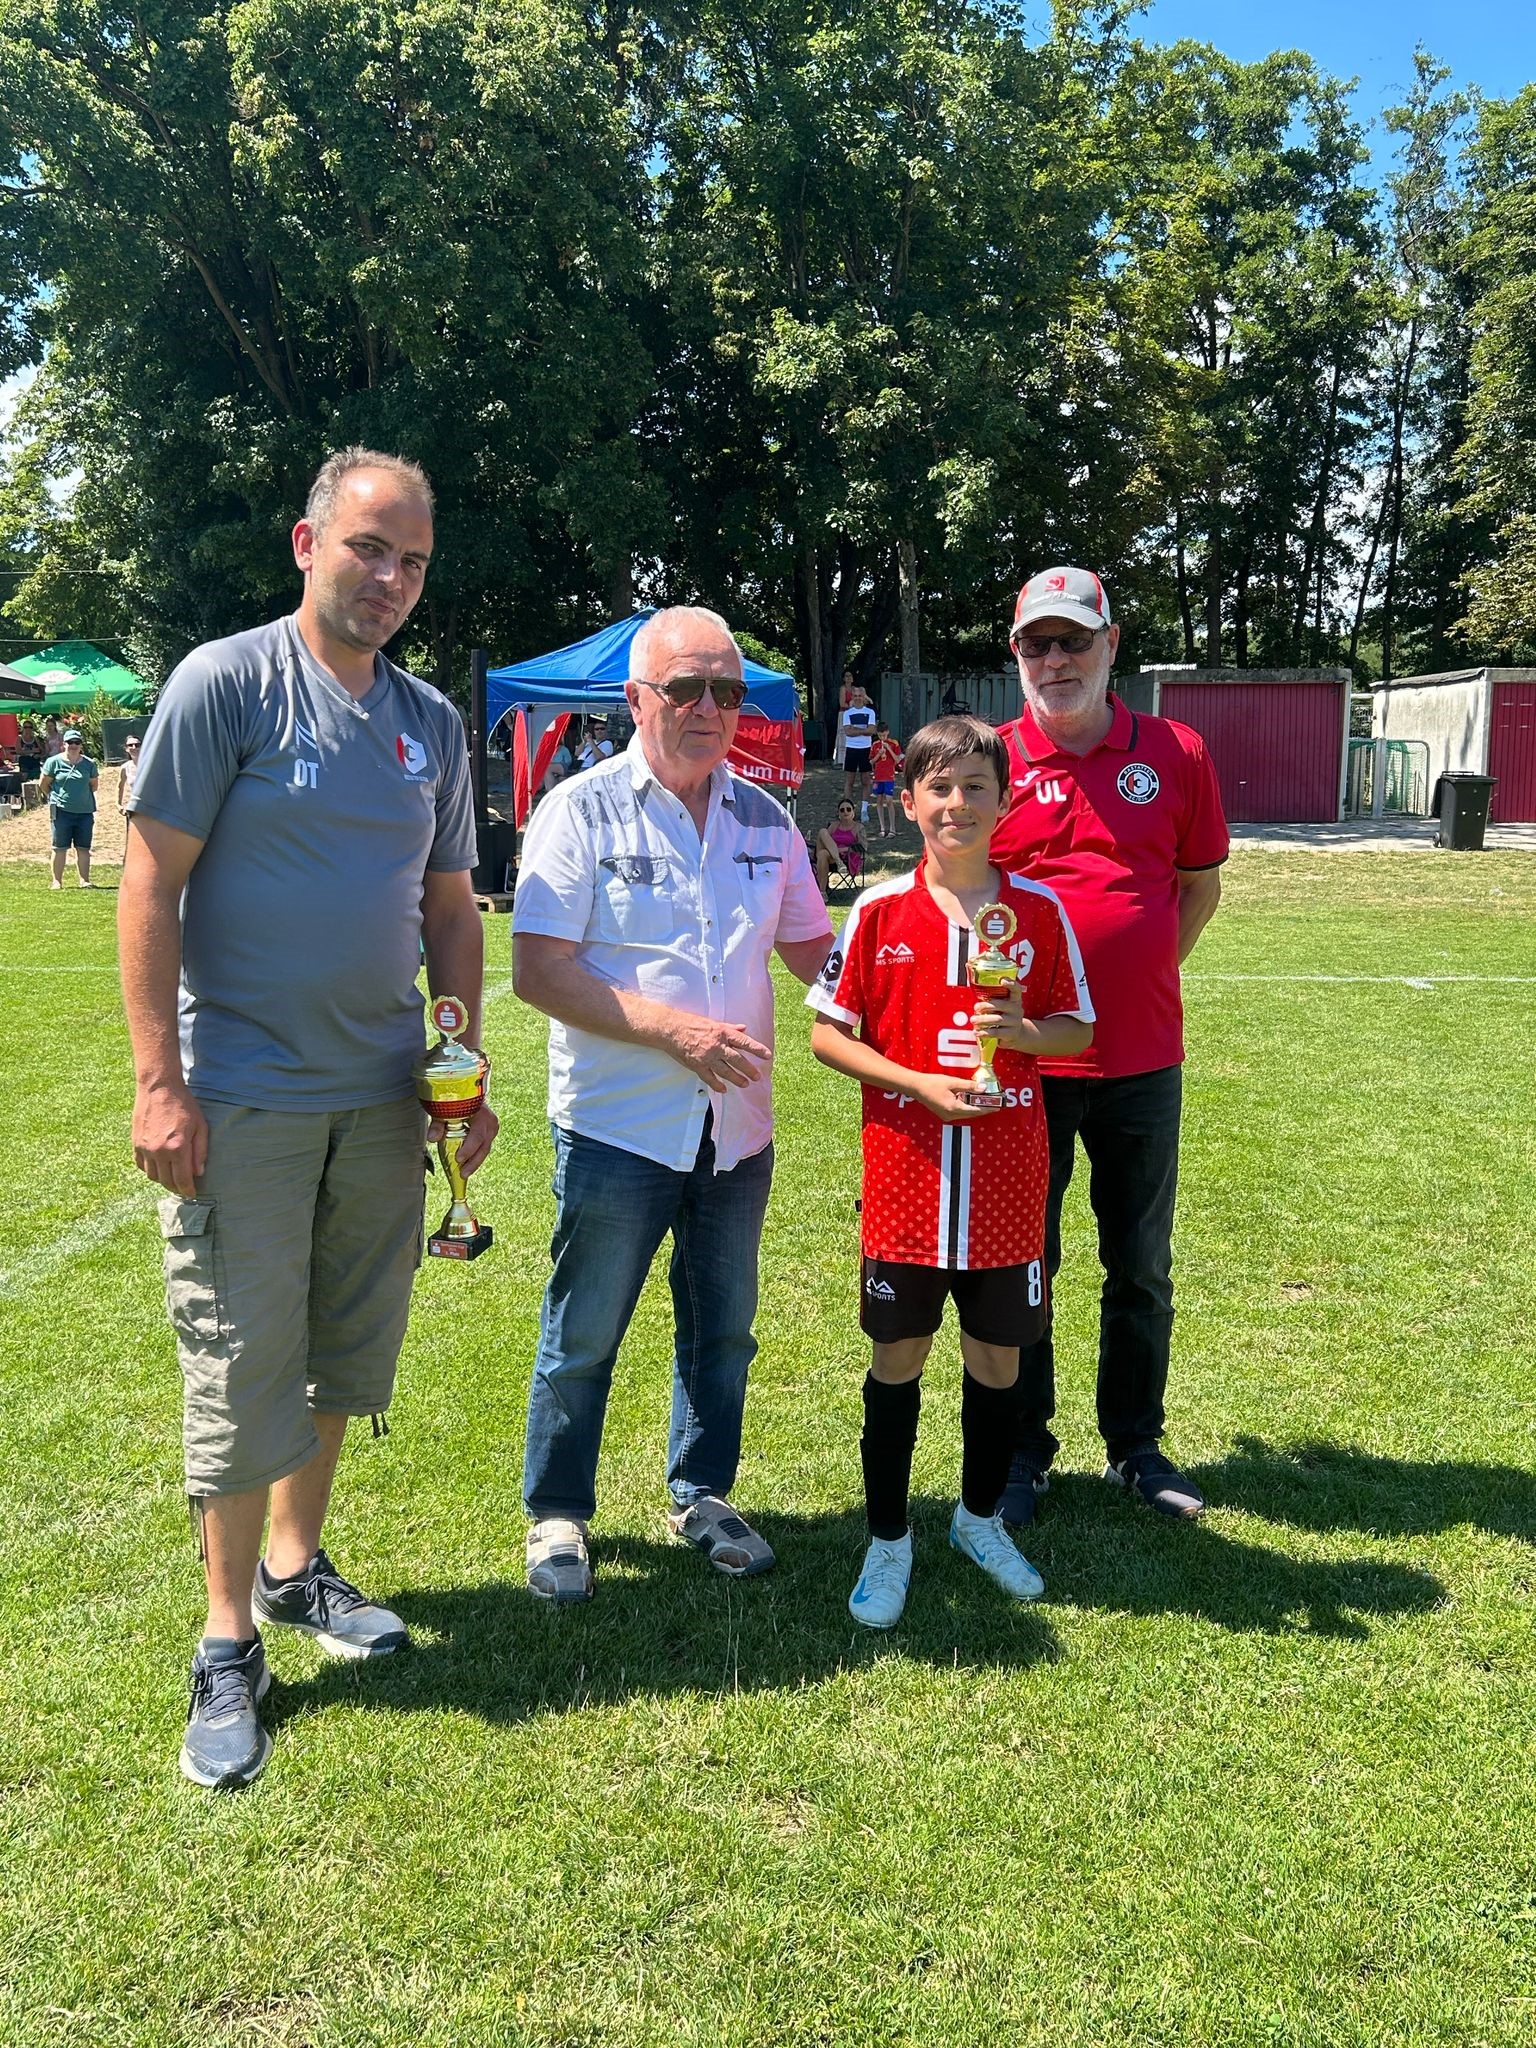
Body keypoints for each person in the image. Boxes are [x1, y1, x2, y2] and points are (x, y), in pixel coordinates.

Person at [119, 446, 496, 1790]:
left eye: (413, 562)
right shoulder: (225, 683)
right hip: (243, 1098)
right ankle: (227, 1641)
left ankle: (294, 1567)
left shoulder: (429, 722)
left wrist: (460, 1066)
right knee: (241, 1363)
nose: (391, 578)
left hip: (385, 1098)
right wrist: (159, 1082)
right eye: (368, 548)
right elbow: (151, 883)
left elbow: (450, 908)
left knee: (343, 1349)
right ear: (306, 543)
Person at [512, 605, 834, 1604]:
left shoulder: (767, 819)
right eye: (685, 687)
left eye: (726, 691)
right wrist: (676, 1033)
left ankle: (702, 1493)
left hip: (737, 1131)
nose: (708, 708)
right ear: (636, 699)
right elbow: (538, 970)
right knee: (585, 1333)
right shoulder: (580, 809)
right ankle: (558, 1512)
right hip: (618, 1127)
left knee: (724, 1331)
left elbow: (818, 956)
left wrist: (928, 970)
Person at [807, 714, 1094, 1627]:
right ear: (908, 802)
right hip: (908, 1183)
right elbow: (827, 1035)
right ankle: (888, 1538)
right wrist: (917, 1084)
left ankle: (977, 1520)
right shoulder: (878, 912)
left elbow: (1077, 1029)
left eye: (976, 787)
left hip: (1008, 1183)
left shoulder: (1039, 912)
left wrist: (1023, 1031)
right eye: (939, 787)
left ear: (1005, 801)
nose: (957, 803)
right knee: (899, 1356)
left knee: (999, 1357)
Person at [990, 565, 1227, 1525]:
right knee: (1024, 1263)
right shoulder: (990, 759)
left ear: (1111, 645)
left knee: (1141, 1265)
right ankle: (1023, 1451)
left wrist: (1135, 979)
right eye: (1036, 644)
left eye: (1073, 640)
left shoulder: (1176, 751)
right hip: (1025, 1064)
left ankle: (1135, 1444)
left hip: (1141, 1060)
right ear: (1017, 656)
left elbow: (1199, 884)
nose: (1055, 660)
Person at [39, 727, 99, 888]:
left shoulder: (89, 764)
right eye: (70, 742)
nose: (73, 745)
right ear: (63, 744)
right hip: (61, 812)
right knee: (59, 847)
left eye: (77, 742)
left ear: (81, 745)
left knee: (83, 848)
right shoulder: (53, 762)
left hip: (85, 812)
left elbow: (93, 785)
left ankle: (84, 880)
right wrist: (54, 798)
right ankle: (57, 881)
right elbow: (44, 784)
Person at [815, 799, 866, 895]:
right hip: (832, 858)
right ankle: (838, 862)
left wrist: (841, 850)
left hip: (848, 858)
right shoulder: (834, 826)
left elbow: (863, 847)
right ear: (838, 813)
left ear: (853, 811)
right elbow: (824, 840)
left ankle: (822, 892)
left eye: (848, 809)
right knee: (822, 832)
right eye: (842, 810)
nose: (845, 812)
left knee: (822, 854)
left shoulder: (859, 827)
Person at [840, 685, 877, 809]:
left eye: (860, 696)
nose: (857, 698)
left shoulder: (870, 712)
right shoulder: (847, 713)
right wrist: (864, 730)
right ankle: (848, 808)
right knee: (849, 781)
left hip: (866, 749)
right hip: (851, 749)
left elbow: (871, 731)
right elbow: (848, 732)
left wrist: (855, 728)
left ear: (864, 697)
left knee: (865, 780)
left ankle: (864, 809)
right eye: (855, 696)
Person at [868, 721, 904, 838]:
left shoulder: (894, 743)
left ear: (887, 732)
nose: (882, 737)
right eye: (880, 735)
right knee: (878, 801)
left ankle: (892, 828)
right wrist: (878, 754)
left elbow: (897, 760)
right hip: (878, 776)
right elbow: (871, 761)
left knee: (889, 800)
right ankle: (882, 828)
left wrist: (889, 749)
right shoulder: (875, 745)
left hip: (889, 776)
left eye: (884, 735)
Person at [116, 732, 142, 813]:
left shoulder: (152, 764)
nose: (134, 747)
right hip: (134, 808)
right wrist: (118, 804)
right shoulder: (125, 767)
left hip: (153, 808)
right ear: (126, 749)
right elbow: (120, 786)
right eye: (130, 745)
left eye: (137, 745)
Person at [18, 718, 42, 784]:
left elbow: (41, 750)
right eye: (26, 727)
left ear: (32, 728)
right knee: (24, 780)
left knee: (36, 781)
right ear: (23, 728)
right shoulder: (19, 738)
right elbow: (18, 751)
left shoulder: (35, 738)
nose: (28, 729)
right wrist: (31, 751)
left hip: (34, 761)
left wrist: (39, 755)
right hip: (24, 762)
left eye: (30, 727)